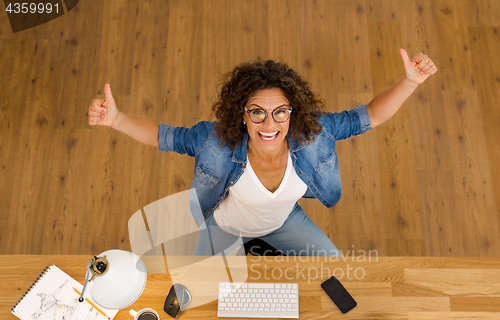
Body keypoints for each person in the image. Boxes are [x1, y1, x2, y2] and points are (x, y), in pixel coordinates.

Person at [88, 49, 436, 256]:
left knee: (337, 273)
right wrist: (116, 120)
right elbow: (164, 136)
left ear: (292, 112)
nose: (269, 123)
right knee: (186, 296)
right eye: (257, 111)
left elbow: (371, 115)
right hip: (222, 227)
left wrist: (410, 82)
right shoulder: (214, 142)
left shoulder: (316, 134)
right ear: (242, 113)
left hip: (284, 223)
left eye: (280, 112)